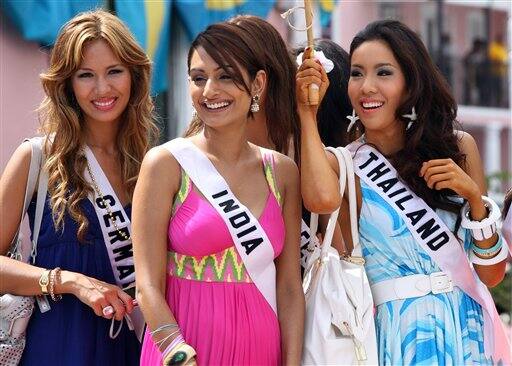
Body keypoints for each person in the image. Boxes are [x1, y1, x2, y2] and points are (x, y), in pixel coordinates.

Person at [298, 20, 511, 364]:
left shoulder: (458, 148)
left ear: (410, 81)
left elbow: (492, 274)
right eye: (356, 74)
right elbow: (319, 200)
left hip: (467, 332)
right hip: (396, 336)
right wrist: (307, 113)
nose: (366, 87)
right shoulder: (343, 164)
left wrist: (474, 199)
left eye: (383, 73)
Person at [133, 21, 304, 366]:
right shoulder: (166, 164)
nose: (209, 91)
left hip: (260, 347)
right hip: (184, 350)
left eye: (225, 76)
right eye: (198, 78)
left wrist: (291, 361)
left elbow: (288, 288)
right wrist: (177, 352)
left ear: (257, 83)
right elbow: (147, 285)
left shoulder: (282, 172)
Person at [0, 10, 157, 365]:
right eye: (86, 75)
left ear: (134, 75)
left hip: (135, 348)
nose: (102, 89)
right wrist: (70, 281)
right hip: (57, 348)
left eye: (114, 71)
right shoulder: (38, 157)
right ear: (66, 84)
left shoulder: (155, 164)